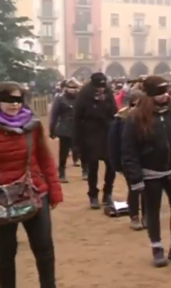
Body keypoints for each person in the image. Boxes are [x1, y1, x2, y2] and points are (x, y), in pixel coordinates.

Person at [121, 76, 171, 267]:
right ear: (150, 95)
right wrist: (135, 176)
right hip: (150, 172)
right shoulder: (135, 117)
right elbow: (129, 150)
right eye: (160, 93)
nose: (165, 96)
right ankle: (157, 248)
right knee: (153, 212)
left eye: (166, 92)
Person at [0, 81, 63, 288]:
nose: (14, 105)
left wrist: (54, 190)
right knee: (5, 253)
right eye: (8, 100)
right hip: (2, 199)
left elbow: (45, 158)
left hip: (35, 191)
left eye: (18, 100)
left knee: (44, 247)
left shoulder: (32, 125)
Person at [73, 72, 118, 209]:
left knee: (111, 165)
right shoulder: (84, 95)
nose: (101, 89)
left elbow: (114, 112)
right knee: (93, 166)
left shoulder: (108, 93)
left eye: (103, 87)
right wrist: (76, 141)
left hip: (107, 133)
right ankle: (93, 194)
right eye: (98, 87)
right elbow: (77, 118)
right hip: (90, 134)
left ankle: (108, 192)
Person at [108, 89, 146, 230]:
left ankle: (146, 216)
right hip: (128, 160)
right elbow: (113, 144)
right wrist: (117, 164)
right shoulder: (120, 119)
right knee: (134, 188)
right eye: (135, 105)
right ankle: (134, 216)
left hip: (147, 159)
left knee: (148, 190)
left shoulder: (148, 117)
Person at [49, 78, 81, 183]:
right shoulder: (60, 98)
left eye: (75, 88)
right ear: (66, 88)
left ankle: (86, 170)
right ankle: (61, 172)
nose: (73, 90)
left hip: (78, 128)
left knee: (81, 150)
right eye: (71, 88)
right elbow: (54, 114)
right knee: (64, 152)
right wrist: (52, 129)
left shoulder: (81, 98)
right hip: (65, 128)